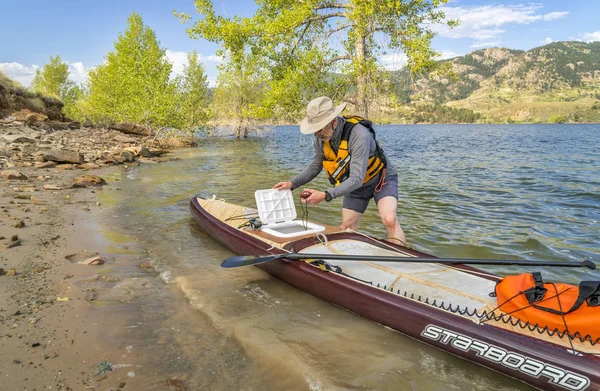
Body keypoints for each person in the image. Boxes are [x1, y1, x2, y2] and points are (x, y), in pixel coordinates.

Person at [273, 96, 407, 246]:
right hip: (356, 186)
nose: (316, 134)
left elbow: (357, 177)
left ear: (334, 122)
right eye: (314, 130)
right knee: (347, 228)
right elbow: (315, 166)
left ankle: (401, 257)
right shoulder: (321, 138)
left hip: (381, 178)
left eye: (319, 129)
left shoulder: (359, 134)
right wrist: (292, 184)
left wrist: (326, 195)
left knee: (389, 219)